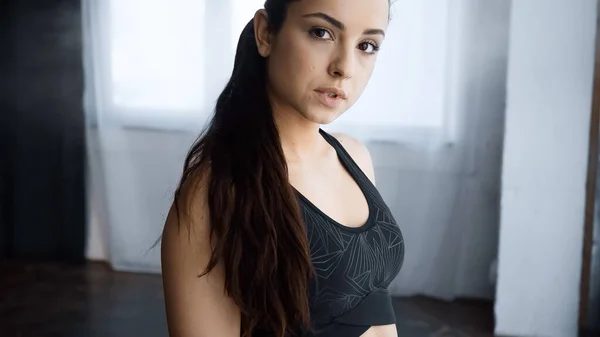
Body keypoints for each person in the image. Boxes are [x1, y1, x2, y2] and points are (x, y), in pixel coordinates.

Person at [160, 0, 404, 336]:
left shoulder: (354, 155)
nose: (345, 67)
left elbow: (377, 310)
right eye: (321, 32)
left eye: (367, 45)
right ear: (265, 34)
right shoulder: (213, 194)